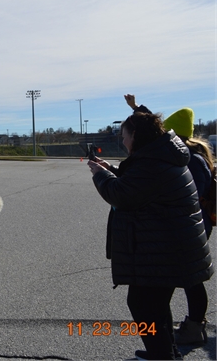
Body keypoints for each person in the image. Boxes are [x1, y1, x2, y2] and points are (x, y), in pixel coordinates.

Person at [87, 112, 213, 360]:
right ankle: (167, 352)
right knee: (154, 304)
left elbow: (121, 194)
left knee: (143, 304)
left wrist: (99, 175)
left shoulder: (152, 162)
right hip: (168, 245)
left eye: (125, 137)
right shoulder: (162, 155)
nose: (123, 142)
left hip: (162, 248)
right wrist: (110, 168)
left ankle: (161, 355)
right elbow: (138, 184)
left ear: (136, 135)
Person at [126, 96, 214, 345]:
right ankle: (181, 332)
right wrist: (137, 109)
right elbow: (161, 129)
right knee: (188, 279)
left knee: (190, 280)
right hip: (189, 226)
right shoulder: (187, 154)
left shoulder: (191, 160)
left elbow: (186, 198)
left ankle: (193, 328)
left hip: (189, 228)